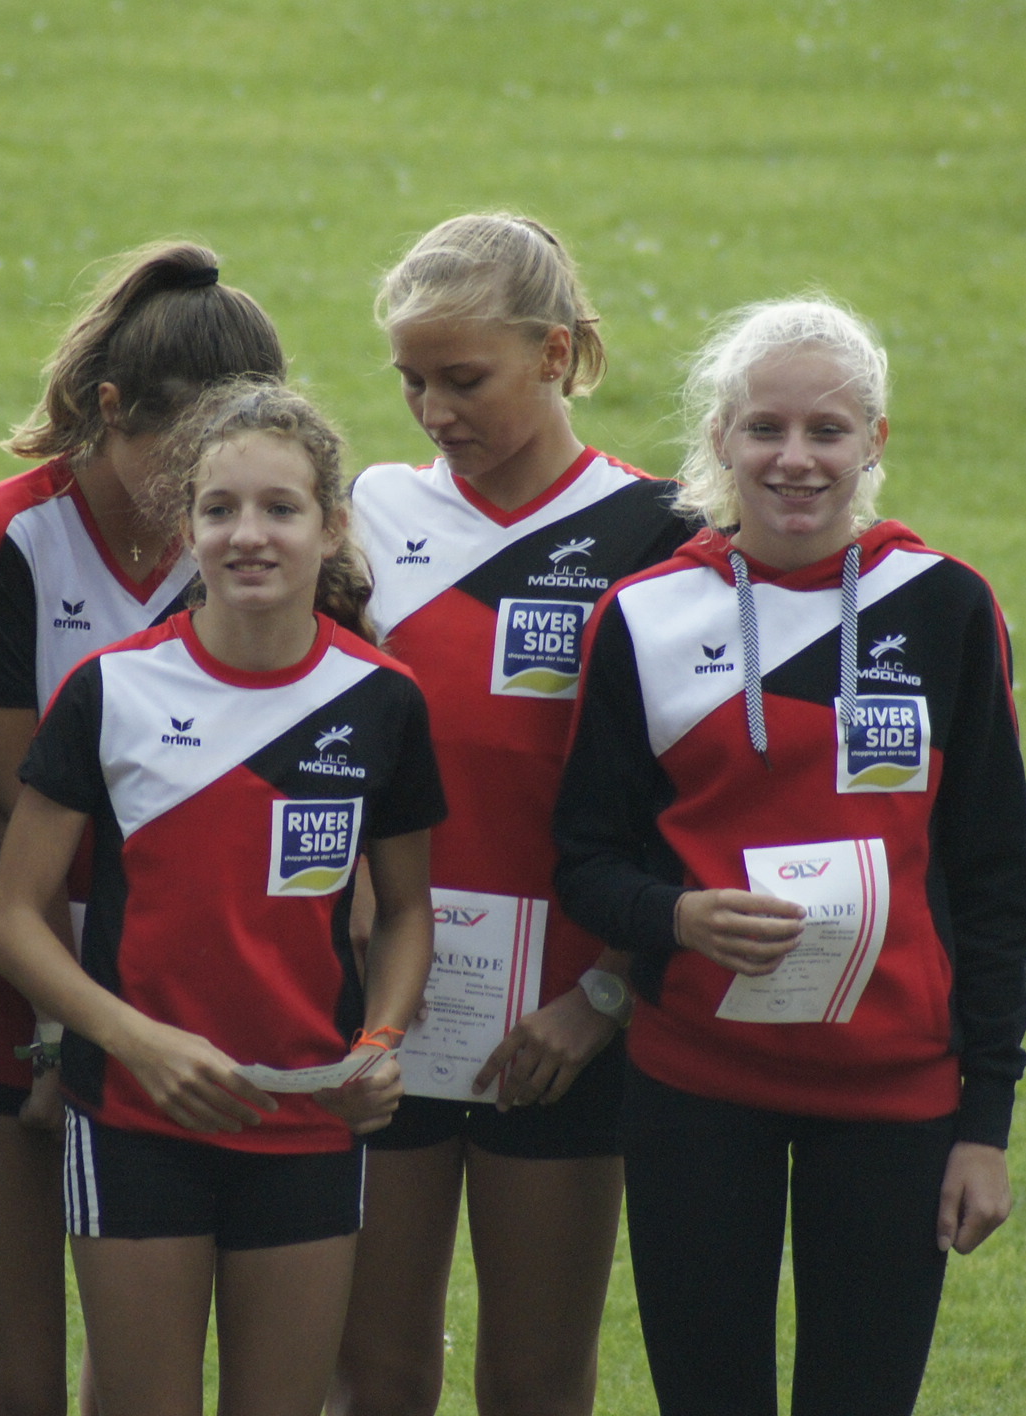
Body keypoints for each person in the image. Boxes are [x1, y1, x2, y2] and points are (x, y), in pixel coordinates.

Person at [552, 296, 1026, 1416]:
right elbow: (584, 861)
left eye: (828, 430)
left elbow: (996, 881)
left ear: (875, 441)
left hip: (895, 1096)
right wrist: (677, 918)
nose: (795, 459)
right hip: (694, 1090)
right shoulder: (643, 617)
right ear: (720, 438)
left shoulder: (945, 607)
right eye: (765, 428)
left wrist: (985, 1127)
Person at [0, 380, 442, 1416]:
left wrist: (378, 1042)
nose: (248, 535)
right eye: (219, 509)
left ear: (331, 526)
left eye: (280, 508)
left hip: (309, 1117)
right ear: (185, 529)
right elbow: (9, 920)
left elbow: (408, 911)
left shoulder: (382, 699)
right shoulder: (112, 688)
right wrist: (138, 1043)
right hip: (136, 1115)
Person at [0, 241, 285, 1416]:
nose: (205, 497)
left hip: (181, 985)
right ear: (110, 409)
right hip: (3, 991)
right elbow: (4, 799)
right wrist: (53, 1031)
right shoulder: (9, 535)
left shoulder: (250, 539)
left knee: (139, 1374)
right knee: (13, 1381)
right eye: (183, 459)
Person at [334, 213, 696, 1416]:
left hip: (564, 1020)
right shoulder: (363, 515)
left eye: (463, 379)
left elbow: (691, 803)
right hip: (382, 1005)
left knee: (536, 1380)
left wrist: (602, 1000)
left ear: (554, 354)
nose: (433, 411)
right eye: (411, 382)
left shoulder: (663, 535)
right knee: (372, 1375)